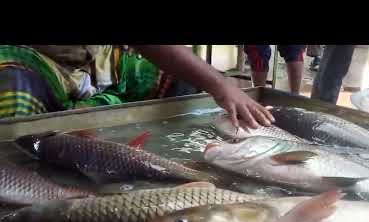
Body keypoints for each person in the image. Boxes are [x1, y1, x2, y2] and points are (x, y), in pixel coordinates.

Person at [0, 45, 274, 129]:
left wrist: (220, 84)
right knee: (11, 81)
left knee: (186, 75)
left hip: (98, 61)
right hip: (34, 60)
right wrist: (220, 83)